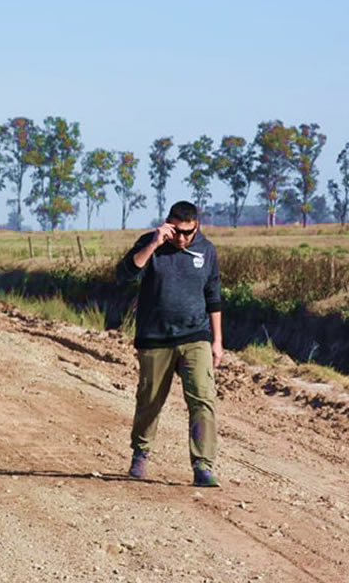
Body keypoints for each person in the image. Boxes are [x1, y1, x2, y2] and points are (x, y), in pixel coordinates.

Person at [116, 200, 223, 487]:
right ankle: (141, 453)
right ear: (168, 223)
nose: (183, 238)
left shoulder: (206, 250)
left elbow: (213, 296)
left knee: (202, 398)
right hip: (155, 337)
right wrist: (153, 244)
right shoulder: (149, 244)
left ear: (197, 226)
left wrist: (217, 341)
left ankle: (203, 465)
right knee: (150, 400)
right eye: (177, 231)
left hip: (195, 335)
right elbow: (125, 274)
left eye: (189, 232)